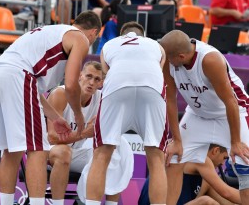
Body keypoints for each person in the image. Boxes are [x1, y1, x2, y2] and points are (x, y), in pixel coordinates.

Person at [0, 10, 102, 205]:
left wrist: (55, 117)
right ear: (94, 33)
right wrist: (79, 116)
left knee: (11, 151)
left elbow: (33, 92)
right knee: (37, 149)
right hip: (19, 77)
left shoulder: (52, 31)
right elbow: (71, 85)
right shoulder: (79, 38)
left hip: (3, 72)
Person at [160, 30, 249, 205]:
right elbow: (170, 100)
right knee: (174, 157)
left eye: (169, 59)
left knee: (244, 165)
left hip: (231, 112)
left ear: (181, 55)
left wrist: (236, 142)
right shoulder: (167, 61)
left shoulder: (210, 60)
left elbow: (230, 101)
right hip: (198, 114)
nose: (166, 62)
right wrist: (176, 140)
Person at [86, 21, 168, 205]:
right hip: (152, 89)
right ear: (142, 35)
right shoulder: (156, 45)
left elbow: (106, 72)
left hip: (117, 87)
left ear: (121, 35)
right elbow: (160, 69)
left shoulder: (109, 45)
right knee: (156, 159)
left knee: (101, 155)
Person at [47, 61, 134, 205]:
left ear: (101, 83)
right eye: (89, 76)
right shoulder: (60, 94)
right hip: (47, 152)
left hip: (76, 152)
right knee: (64, 152)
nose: (92, 82)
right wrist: (83, 134)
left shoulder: (102, 99)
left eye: (97, 79)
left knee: (117, 148)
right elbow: (52, 138)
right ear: (79, 76)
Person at [139, 143, 242, 205]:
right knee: (206, 202)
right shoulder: (201, 159)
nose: (223, 163)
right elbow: (226, 192)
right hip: (154, 202)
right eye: (224, 158)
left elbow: (229, 202)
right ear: (216, 151)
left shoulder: (206, 180)